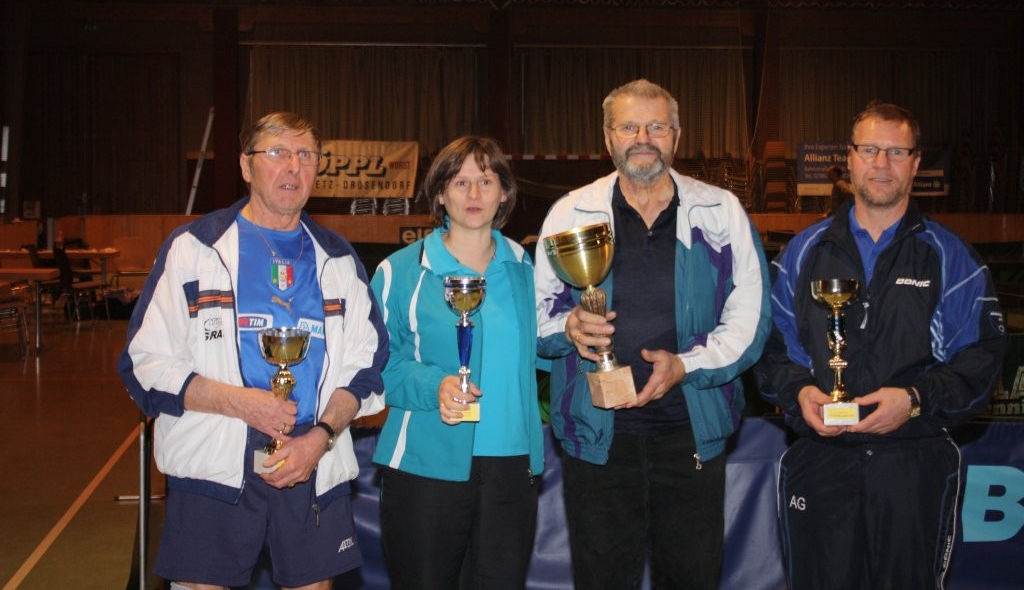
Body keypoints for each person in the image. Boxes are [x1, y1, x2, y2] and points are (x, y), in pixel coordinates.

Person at [117, 112, 388, 590]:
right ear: (246, 166)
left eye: (306, 155)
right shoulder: (194, 248)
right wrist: (240, 403)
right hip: (212, 462)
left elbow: (367, 368)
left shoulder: (339, 259)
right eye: (277, 152)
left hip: (312, 459)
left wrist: (321, 436)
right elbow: (144, 364)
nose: (293, 167)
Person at [756, 101, 1006, 589]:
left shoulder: (950, 256)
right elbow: (771, 349)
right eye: (869, 150)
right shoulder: (803, 252)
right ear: (849, 159)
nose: (881, 163)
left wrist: (914, 399)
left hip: (913, 466)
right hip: (822, 461)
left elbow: (981, 359)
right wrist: (799, 392)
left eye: (896, 152)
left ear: (916, 163)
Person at [534, 79, 771, 588]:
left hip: (690, 433)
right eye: (629, 127)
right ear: (608, 139)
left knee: (692, 578)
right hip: (597, 438)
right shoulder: (571, 211)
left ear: (677, 136)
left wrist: (687, 365)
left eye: (657, 126)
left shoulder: (721, 210)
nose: (643, 138)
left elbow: (750, 318)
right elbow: (539, 314)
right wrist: (569, 327)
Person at [371, 136, 544, 589]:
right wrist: (434, 386)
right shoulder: (398, 271)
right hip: (424, 465)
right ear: (440, 194)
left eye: (485, 181)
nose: (473, 193)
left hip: (512, 467)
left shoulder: (527, 269)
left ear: (504, 192)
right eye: (460, 182)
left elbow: (544, 354)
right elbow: (375, 367)